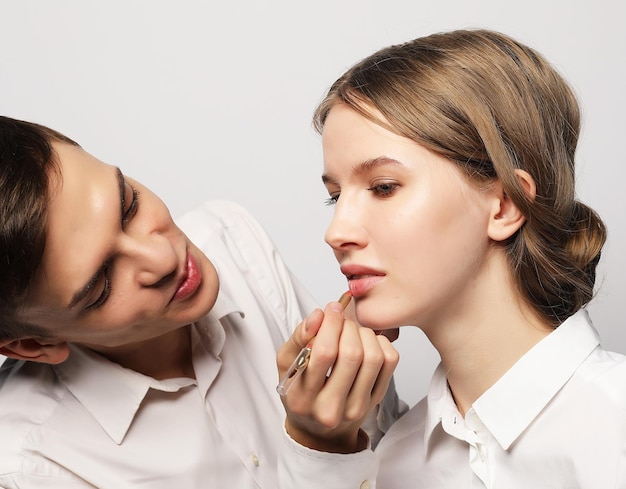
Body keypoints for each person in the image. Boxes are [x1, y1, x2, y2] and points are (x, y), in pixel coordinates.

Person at [277, 29, 626, 488]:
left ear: (505, 205)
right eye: (335, 197)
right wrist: (318, 448)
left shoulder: (613, 429)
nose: (336, 233)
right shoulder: (388, 459)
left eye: (383, 187)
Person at [0, 115, 402, 488]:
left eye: (128, 205)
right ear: (33, 345)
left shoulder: (231, 240)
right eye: (102, 283)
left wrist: (358, 383)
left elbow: (392, 455)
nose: (162, 258)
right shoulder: (31, 469)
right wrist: (321, 446)